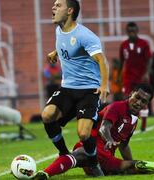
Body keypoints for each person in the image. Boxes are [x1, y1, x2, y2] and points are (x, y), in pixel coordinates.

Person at [32, 84, 154, 179]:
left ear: (147, 104)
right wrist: (109, 140)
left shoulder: (133, 120)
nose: (139, 103)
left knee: (75, 158)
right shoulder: (116, 107)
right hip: (94, 148)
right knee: (119, 166)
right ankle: (134, 166)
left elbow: (124, 145)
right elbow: (105, 127)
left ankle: (45, 173)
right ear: (130, 94)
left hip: (104, 158)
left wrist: (129, 160)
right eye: (137, 97)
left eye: (143, 101)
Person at [41, 0, 109, 177]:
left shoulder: (85, 36)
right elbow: (66, 45)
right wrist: (55, 52)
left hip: (88, 90)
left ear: (70, 11)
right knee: (47, 115)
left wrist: (104, 85)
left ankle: (93, 163)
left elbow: (102, 60)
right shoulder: (59, 30)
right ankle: (64, 154)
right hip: (67, 88)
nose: (53, 8)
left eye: (58, 5)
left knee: (84, 134)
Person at [118, 22, 153, 132]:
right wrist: (119, 75)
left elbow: (149, 59)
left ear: (137, 31)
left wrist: (147, 73)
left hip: (141, 77)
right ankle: (126, 123)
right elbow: (121, 61)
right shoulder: (123, 45)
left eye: (133, 31)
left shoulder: (144, 44)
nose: (132, 33)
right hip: (128, 78)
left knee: (143, 99)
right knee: (126, 99)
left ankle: (143, 124)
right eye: (129, 31)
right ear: (127, 32)